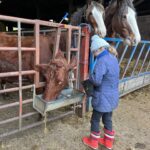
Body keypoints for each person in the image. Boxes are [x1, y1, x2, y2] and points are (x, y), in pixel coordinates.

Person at [82, 35, 120, 150]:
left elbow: (97, 81)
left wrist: (90, 77)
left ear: (99, 49)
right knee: (108, 118)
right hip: (112, 96)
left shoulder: (101, 61)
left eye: (93, 52)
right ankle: (108, 142)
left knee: (95, 119)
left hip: (102, 97)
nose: (93, 54)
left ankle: (93, 142)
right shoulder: (113, 58)